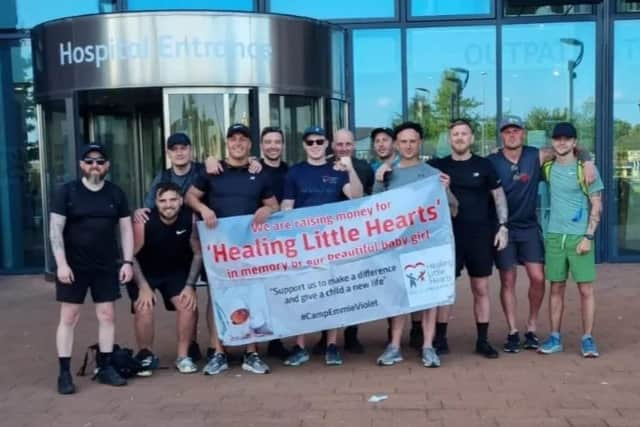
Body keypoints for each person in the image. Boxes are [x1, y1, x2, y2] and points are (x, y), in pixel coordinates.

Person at [488, 116, 596, 353]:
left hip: (528, 227)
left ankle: (531, 328)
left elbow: (570, 146)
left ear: (523, 134)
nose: (512, 135)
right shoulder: (492, 160)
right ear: (501, 135)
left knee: (538, 277)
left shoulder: (536, 155)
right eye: (507, 132)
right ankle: (513, 332)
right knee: (508, 280)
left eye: (516, 131)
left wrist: (587, 161)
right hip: (503, 228)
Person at [185, 123, 279, 375]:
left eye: (243, 140)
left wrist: (266, 209)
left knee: (251, 298)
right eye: (233, 139)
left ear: (250, 144)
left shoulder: (258, 173)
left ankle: (251, 353)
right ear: (227, 143)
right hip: (218, 249)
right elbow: (190, 196)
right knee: (218, 299)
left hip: (248, 249)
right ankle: (218, 352)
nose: (238, 143)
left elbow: (274, 205)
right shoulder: (212, 171)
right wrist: (203, 209)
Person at [373, 122, 458, 368]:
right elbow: (374, 210)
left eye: (413, 141)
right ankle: (394, 346)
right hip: (398, 247)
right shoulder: (388, 173)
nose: (408, 146)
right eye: (403, 141)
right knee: (399, 297)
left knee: (429, 298)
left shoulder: (433, 174)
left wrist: (447, 189)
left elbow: (453, 209)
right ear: (396, 144)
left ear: (419, 142)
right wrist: (379, 181)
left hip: (427, 246)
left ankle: (428, 347)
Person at [50, 143, 134, 394]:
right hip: (74, 266)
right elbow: (56, 230)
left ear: (107, 165)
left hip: (106, 264)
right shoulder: (67, 192)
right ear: (81, 165)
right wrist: (61, 264)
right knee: (69, 317)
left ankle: (106, 366)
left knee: (107, 315)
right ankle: (64, 373)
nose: (94, 165)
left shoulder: (115, 193)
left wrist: (127, 261)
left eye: (100, 161)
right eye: (89, 161)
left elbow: (126, 228)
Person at [281, 126, 363, 367]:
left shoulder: (337, 170)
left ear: (327, 143)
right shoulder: (295, 172)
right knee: (303, 294)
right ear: (304, 145)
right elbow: (287, 203)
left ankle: (331, 345)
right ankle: (300, 345)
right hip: (304, 242)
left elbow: (356, 196)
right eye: (310, 142)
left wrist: (350, 170)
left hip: (332, 243)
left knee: (332, 294)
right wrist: (287, 217)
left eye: (319, 141)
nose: (315, 146)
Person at [430, 119, 509, 359]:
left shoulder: (484, 165)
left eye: (464, 134)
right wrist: (384, 172)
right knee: (445, 289)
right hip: (447, 237)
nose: (460, 138)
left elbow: (498, 196)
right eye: (455, 134)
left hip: (480, 236)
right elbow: (410, 178)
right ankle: (440, 339)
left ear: (471, 138)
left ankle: (482, 341)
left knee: (481, 287)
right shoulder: (437, 166)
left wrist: (503, 226)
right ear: (449, 138)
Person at [537, 122, 603, 358]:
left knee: (585, 289)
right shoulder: (547, 167)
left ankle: (588, 338)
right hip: (555, 236)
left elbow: (597, 203)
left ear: (575, 142)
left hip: (579, 238)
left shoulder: (586, 170)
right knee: (556, 287)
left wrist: (588, 236)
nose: (562, 142)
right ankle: (555, 337)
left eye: (567, 138)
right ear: (553, 142)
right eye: (558, 138)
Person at [127, 182, 201, 375]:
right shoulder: (143, 221)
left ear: (181, 200)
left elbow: (198, 254)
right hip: (145, 271)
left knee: (187, 305)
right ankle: (146, 355)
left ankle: (183, 356)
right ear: (156, 203)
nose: (168, 205)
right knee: (144, 306)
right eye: (163, 201)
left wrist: (190, 286)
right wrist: (143, 286)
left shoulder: (190, 218)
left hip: (175, 270)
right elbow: (131, 256)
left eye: (173, 200)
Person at [258, 126, 291, 359]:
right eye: (268, 142)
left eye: (277, 142)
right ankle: (264, 337)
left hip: (284, 239)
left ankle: (277, 338)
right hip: (259, 238)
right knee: (262, 291)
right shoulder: (253, 169)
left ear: (283, 145)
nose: (272, 146)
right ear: (261, 146)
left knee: (280, 289)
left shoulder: (290, 171)